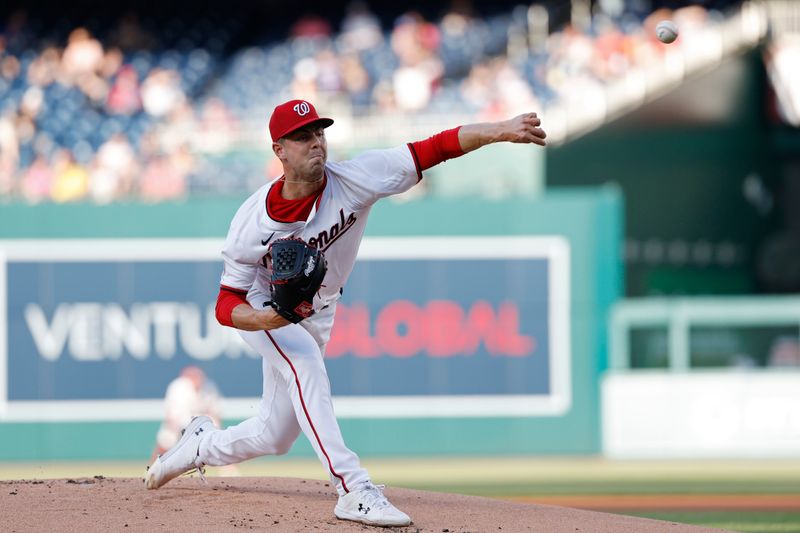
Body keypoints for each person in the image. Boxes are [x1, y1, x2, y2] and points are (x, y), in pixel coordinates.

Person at [145, 99, 547, 527]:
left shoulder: (356, 178)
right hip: (267, 306)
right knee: (305, 363)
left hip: (319, 309)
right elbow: (227, 303)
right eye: (302, 136)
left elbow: (435, 147)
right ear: (279, 149)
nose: (315, 142)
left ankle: (201, 443)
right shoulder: (253, 221)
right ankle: (353, 488)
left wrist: (501, 129)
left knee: (275, 434)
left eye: (319, 132)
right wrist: (267, 320)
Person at [151, 366, 223, 460]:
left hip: (201, 421)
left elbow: (215, 411)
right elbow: (172, 414)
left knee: (216, 433)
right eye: (194, 377)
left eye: (199, 377)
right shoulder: (178, 386)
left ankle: (228, 468)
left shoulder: (209, 387)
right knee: (166, 439)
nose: (197, 380)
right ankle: (151, 467)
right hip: (178, 422)